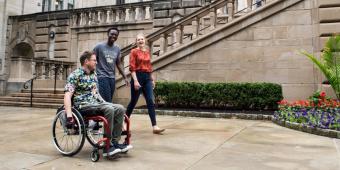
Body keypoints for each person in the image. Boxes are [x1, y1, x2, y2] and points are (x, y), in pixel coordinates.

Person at [64, 51, 132, 157]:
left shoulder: (94, 74)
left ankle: (114, 142)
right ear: (86, 61)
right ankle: (107, 146)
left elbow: (96, 93)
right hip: (84, 105)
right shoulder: (74, 75)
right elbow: (67, 95)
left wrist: (106, 103)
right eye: (94, 60)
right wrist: (69, 116)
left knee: (120, 108)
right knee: (109, 109)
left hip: (96, 103)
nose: (96, 63)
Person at [126, 34, 165, 134]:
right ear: (136, 41)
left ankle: (155, 126)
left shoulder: (147, 52)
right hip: (137, 77)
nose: (140, 41)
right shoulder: (133, 52)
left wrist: (151, 79)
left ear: (145, 40)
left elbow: (149, 66)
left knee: (150, 101)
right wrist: (135, 80)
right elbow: (132, 67)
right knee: (133, 101)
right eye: (138, 39)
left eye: (142, 39)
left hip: (147, 77)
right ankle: (124, 122)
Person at [93, 27, 129, 103]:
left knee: (108, 99)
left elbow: (118, 63)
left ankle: (103, 114)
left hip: (112, 78)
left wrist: (125, 77)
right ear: (108, 34)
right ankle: (107, 114)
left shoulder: (117, 49)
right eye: (112, 34)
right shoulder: (99, 47)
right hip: (101, 76)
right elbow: (92, 60)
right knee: (107, 100)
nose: (114, 36)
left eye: (116, 35)